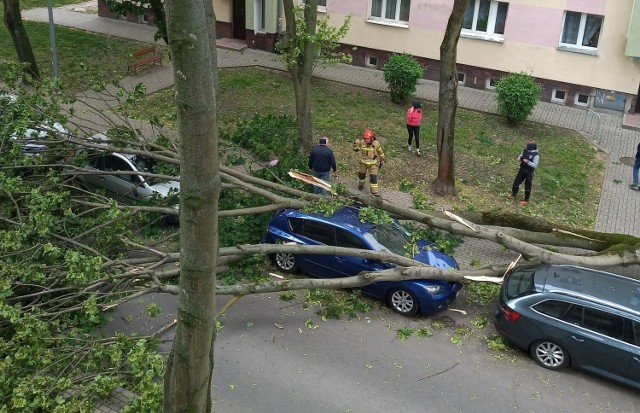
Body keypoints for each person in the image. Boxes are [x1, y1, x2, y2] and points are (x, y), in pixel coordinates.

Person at [353, 128, 385, 196]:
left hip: (373, 165)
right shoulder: (362, 142)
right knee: (361, 175)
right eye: (365, 138)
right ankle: (361, 185)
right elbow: (356, 150)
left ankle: (374, 192)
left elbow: (380, 152)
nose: (366, 140)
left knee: (373, 178)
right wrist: (355, 144)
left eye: (367, 139)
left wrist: (382, 159)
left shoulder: (376, 143)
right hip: (363, 163)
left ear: (371, 138)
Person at [507, 140, 539, 206]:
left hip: (529, 172)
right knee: (516, 182)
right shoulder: (525, 150)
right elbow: (520, 156)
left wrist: (528, 162)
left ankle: (526, 199)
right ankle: (514, 193)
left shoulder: (536, 155)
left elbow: (535, 165)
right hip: (522, 169)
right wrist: (519, 158)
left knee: (527, 185)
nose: (528, 150)